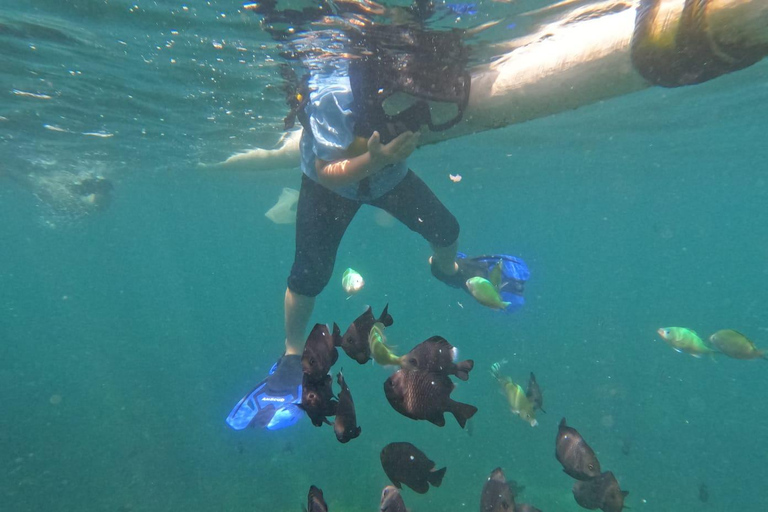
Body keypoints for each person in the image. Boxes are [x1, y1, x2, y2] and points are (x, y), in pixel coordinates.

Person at [227, 8, 528, 431]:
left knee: (447, 230)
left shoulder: (411, 63)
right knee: (309, 275)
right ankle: (292, 355)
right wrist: (377, 158)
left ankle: (448, 269)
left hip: (388, 173)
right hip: (331, 184)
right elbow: (330, 167)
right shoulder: (333, 86)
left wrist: (386, 157)